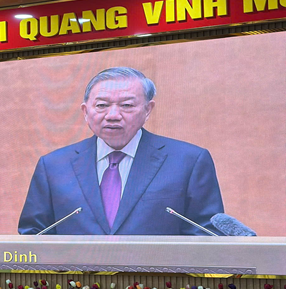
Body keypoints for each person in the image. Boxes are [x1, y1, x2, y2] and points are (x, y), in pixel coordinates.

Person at [18, 67, 224, 235]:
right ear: (85, 111)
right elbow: (33, 234)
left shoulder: (188, 161)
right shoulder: (53, 166)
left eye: (126, 105)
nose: (113, 115)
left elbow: (206, 234)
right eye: (102, 105)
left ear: (148, 110)